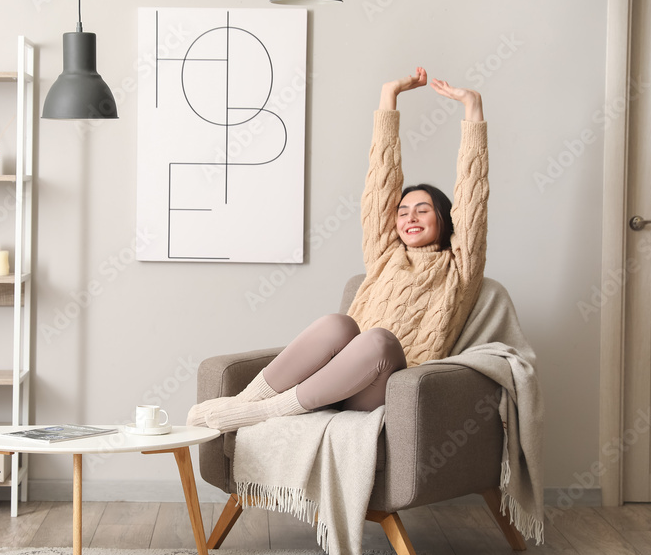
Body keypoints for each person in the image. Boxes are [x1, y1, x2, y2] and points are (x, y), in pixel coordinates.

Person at [187, 67, 488, 432]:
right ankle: (242, 405)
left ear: (444, 219)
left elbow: (472, 199)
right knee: (338, 323)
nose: (410, 217)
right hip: (331, 382)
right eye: (403, 211)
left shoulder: (460, 269)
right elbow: (382, 180)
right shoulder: (385, 256)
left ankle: (269, 411)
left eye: (423, 210)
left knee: (378, 339)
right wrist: (388, 96)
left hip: (385, 387)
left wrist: (472, 106)